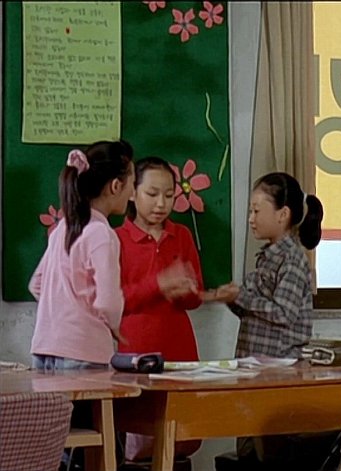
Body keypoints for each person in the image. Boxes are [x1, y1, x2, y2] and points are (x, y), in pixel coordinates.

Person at [208, 171, 324, 467]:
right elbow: (255, 312)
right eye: (250, 211)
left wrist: (242, 296)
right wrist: (231, 298)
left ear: (283, 215)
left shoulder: (293, 260)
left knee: (269, 454)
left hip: (279, 373)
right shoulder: (267, 256)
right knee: (249, 450)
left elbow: (283, 313)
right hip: (256, 370)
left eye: (257, 211)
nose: (251, 219)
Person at [115, 156, 204, 463]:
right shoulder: (116, 239)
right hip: (136, 354)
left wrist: (187, 290)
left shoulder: (182, 235)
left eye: (169, 195)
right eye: (152, 194)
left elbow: (195, 298)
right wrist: (158, 284)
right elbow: (115, 301)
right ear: (132, 193)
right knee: (138, 441)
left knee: (183, 441)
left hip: (180, 352)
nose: (161, 204)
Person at [29, 140, 135, 369]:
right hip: (85, 350)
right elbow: (107, 300)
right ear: (116, 186)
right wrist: (115, 326)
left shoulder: (62, 228)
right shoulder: (101, 233)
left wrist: (63, 312)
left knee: (51, 397)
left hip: (43, 348)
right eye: (132, 185)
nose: (132, 193)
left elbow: (36, 284)